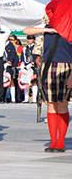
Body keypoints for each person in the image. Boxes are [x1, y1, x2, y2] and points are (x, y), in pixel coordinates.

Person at [23, 25, 72, 153]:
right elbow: (26, 30)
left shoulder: (69, 28)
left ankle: (60, 141)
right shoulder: (47, 28)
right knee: (50, 104)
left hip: (66, 66)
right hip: (48, 66)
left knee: (62, 104)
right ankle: (53, 141)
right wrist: (46, 30)